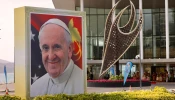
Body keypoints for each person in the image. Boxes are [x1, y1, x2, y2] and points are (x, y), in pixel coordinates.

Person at [31, 18, 84, 97]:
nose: (51, 56)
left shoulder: (84, 85)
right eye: (45, 48)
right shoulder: (35, 88)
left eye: (56, 47)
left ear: (69, 49)